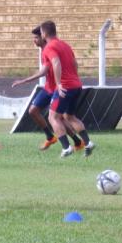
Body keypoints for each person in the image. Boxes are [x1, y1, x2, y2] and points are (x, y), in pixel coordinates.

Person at [11, 26, 83, 151]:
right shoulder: (45, 50)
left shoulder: (50, 49)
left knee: (57, 118)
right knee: (33, 110)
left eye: (36, 37)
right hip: (49, 88)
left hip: (57, 88)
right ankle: (50, 137)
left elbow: (44, 71)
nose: (34, 40)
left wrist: (24, 80)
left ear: (43, 37)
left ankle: (76, 143)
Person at [40, 21, 95, 158]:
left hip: (65, 87)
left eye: (41, 32)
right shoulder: (65, 45)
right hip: (76, 85)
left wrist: (59, 83)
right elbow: (74, 63)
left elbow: (56, 62)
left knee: (53, 117)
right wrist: (74, 78)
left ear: (45, 33)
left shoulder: (49, 47)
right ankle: (88, 143)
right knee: (70, 116)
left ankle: (66, 147)